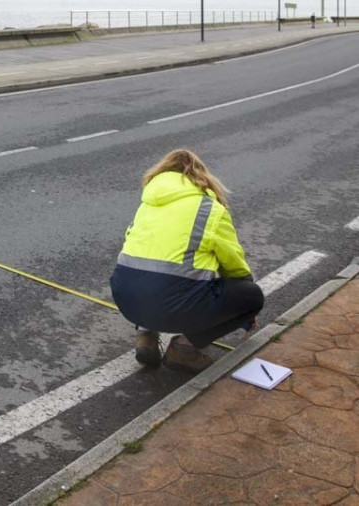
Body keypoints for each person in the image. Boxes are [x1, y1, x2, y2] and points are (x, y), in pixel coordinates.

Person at [110, 149, 264, 373]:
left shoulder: (148, 204)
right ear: (202, 178)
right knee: (252, 296)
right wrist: (243, 308)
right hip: (173, 304)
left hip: (126, 298)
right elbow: (234, 264)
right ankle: (184, 347)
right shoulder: (209, 208)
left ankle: (146, 337)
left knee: (149, 275)